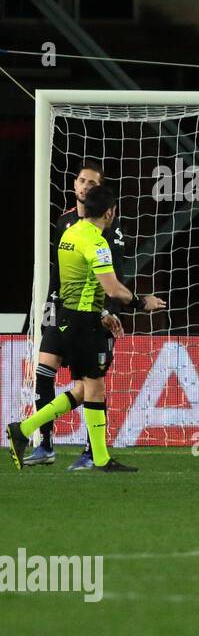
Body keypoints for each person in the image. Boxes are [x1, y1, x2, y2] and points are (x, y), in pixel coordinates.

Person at [8, 184, 141, 472]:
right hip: (83, 323)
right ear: (110, 212)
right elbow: (112, 288)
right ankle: (101, 458)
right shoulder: (96, 241)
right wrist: (142, 303)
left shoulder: (70, 233)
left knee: (85, 389)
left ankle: (23, 430)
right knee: (94, 386)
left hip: (69, 318)